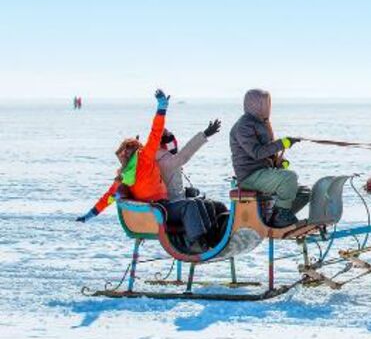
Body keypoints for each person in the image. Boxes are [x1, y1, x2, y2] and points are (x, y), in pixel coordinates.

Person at [76, 89, 214, 251]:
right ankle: (198, 243)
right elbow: (156, 132)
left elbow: (109, 197)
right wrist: (162, 108)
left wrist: (91, 214)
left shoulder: (123, 176)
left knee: (194, 203)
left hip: (151, 213)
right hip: (162, 211)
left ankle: (205, 241)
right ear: (137, 148)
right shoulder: (145, 156)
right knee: (191, 205)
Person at [229, 89, 305, 228]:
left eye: (269, 102)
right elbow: (257, 153)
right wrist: (283, 143)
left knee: (304, 192)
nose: (268, 106)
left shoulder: (260, 123)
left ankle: (282, 213)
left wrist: (278, 162)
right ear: (254, 104)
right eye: (265, 103)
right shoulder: (244, 126)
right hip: (250, 176)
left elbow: (267, 151)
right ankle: (280, 216)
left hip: (263, 172)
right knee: (289, 178)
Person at [157, 120, 229, 245]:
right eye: (169, 141)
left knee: (211, 205)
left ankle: (219, 236)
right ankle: (202, 241)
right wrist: (204, 135)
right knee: (193, 205)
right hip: (169, 207)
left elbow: (171, 184)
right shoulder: (163, 159)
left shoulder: (164, 158)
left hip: (175, 201)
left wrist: (186, 192)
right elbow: (184, 155)